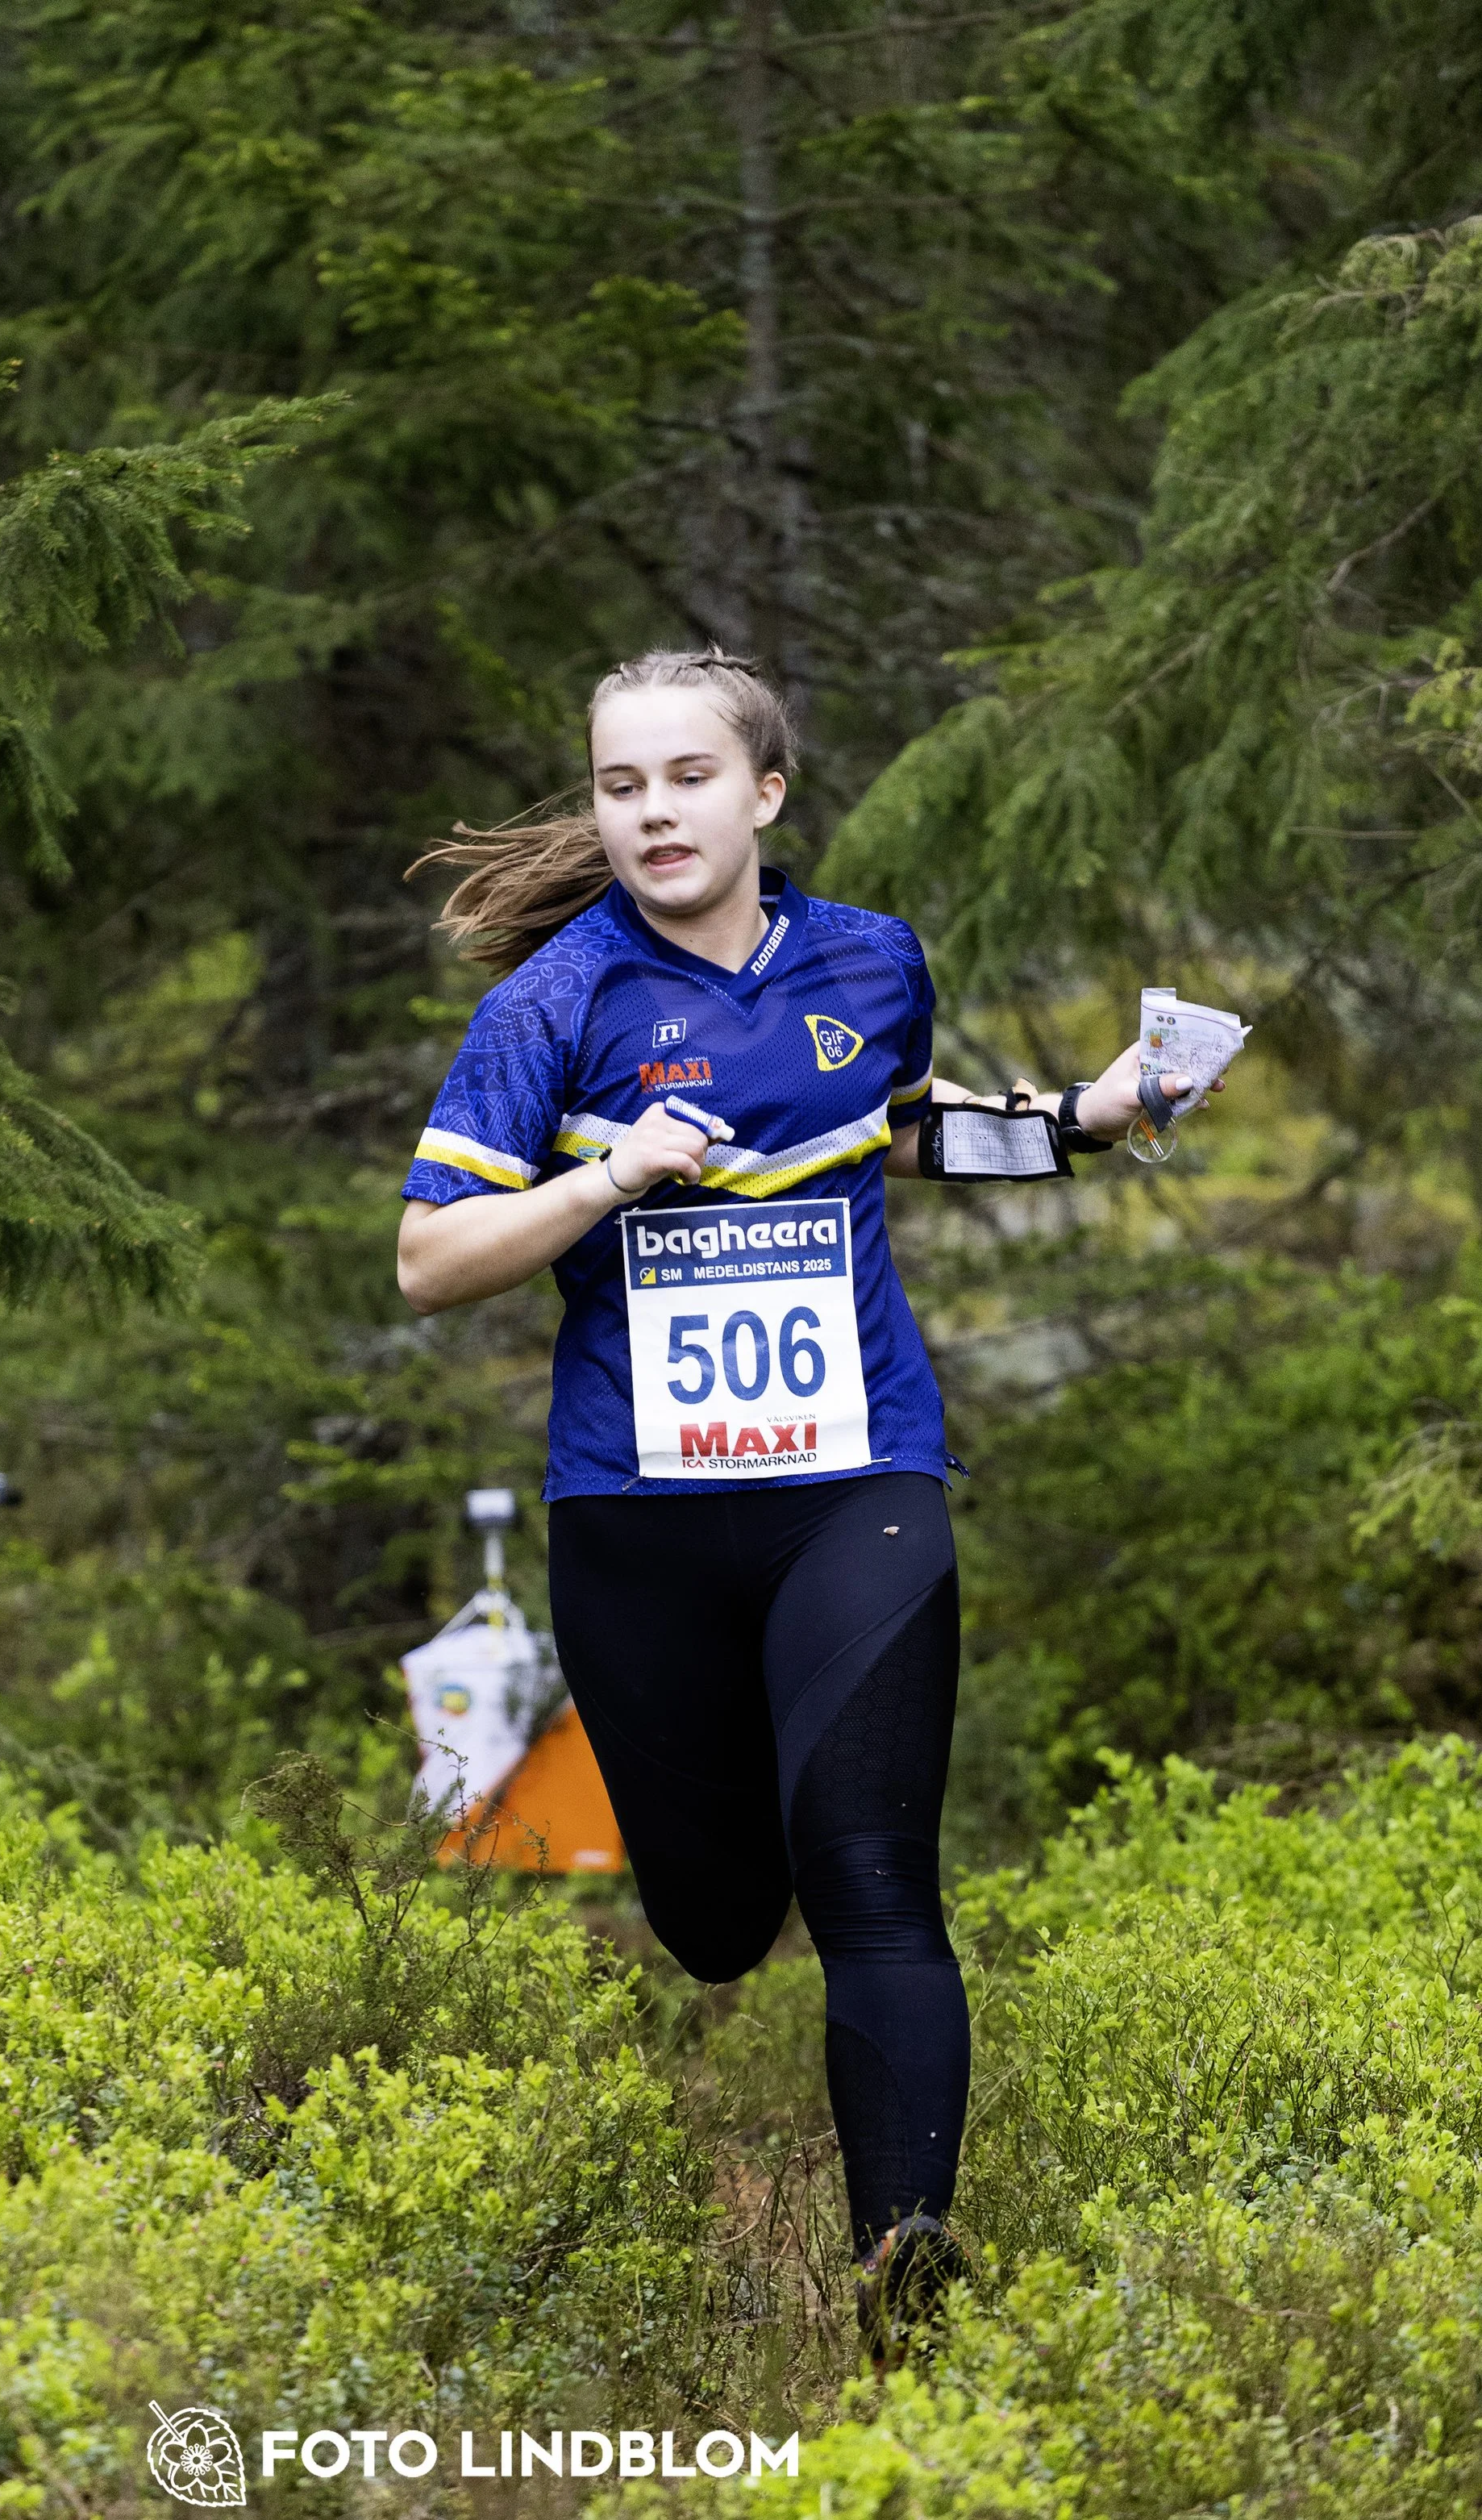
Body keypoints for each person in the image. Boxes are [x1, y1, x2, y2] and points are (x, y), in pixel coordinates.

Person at [396, 648, 1218, 2366]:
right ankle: (743, 1826)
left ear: (762, 793)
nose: (650, 813)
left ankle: (903, 2267)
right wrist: (607, 1172)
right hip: (638, 1510)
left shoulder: (866, 957)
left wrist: (1084, 1116)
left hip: (855, 1478)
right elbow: (427, 1259)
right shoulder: (548, 1005)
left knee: (872, 1875)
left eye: (685, 778)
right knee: (710, 1922)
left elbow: (891, 1129)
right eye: (620, 786)